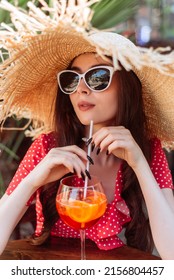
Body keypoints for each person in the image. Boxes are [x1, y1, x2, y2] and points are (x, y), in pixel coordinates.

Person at [0, 0, 174, 259]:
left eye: (98, 77)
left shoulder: (148, 151)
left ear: (127, 88)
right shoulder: (48, 147)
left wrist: (139, 164)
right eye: (72, 79)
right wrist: (33, 180)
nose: (82, 89)